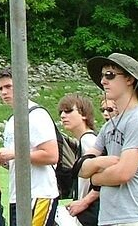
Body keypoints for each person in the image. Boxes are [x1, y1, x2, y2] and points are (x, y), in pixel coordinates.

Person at [79, 53, 138, 226]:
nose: (103, 81)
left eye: (109, 75)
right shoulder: (109, 126)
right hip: (108, 218)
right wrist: (104, 162)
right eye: (102, 76)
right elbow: (81, 168)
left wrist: (95, 178)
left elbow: (123, 173)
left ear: (129, 80)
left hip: (135, 218)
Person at [0, 69, 59, 226]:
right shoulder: (11, 121)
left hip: (39, 193)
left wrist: (14, 154)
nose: (4, 92)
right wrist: (1, 160)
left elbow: (51, 155)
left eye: (8, 86)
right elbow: (17, 159)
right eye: (0, 89)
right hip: (17, 195)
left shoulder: (37, 115)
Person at [58, 93, 99, 226]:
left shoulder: (89, 140)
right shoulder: (84, 140)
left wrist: (84, 201)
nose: (63, 116)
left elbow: (105, 177)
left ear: (84, 115)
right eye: (61, 112)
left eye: (69, 111)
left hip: (90, 211)